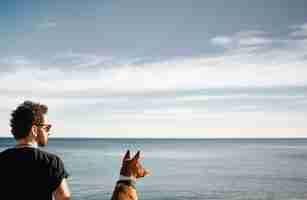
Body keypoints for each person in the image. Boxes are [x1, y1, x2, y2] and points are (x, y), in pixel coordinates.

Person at [0, 100, 71, 200]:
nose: (49, 133)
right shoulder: (51, 162)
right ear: (34, 130)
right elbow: (63, 197)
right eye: (47, 128)